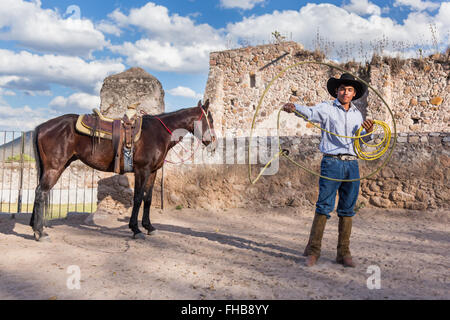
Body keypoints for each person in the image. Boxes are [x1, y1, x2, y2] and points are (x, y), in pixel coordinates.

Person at [283, 73, 374, 267]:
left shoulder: (358, 114)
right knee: (324, 206)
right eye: (342, 89)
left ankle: (343, 253)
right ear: (336, 91)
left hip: (352, 164)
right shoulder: (326, 108)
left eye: (349, 89)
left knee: (348, 209)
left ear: (354, 93)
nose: (345, 92)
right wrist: (294, 108)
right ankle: (314, 251)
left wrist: (369, 132)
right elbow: (310, 112)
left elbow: (362, 140)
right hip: (331, 162)